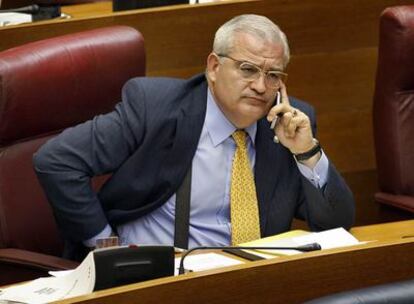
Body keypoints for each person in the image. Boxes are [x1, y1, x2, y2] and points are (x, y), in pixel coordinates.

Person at [33, 14, 355, 261]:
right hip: (159, 279)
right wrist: (107, 247)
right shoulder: (155, 107)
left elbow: (337, 225)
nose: (260, 86)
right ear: (214, 67)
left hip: (251, 281)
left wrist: (307, 152)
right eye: (247, 69)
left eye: (273, 76)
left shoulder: (288, 125)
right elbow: (56, 161)